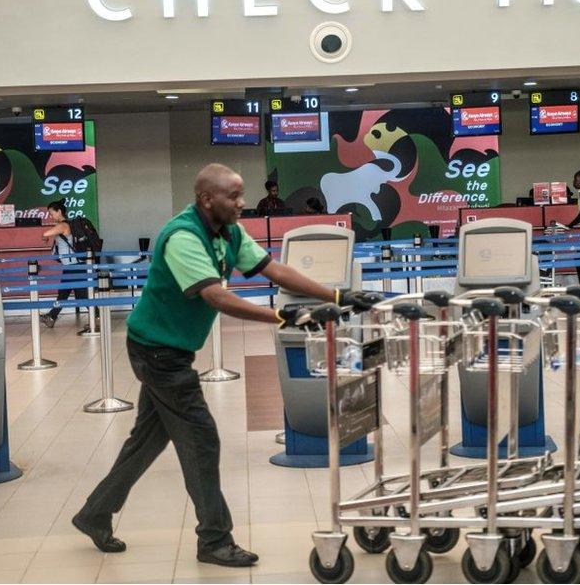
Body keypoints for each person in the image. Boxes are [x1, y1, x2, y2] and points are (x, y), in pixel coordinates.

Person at [72, 163, 378, 568]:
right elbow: (216, 297)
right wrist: (286, 318)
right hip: (157, 352)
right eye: (233, 196)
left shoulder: (228, 232)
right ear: (206, 199)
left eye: (240, 194)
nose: (242, 202)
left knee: (147, 439)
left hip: (172, 350)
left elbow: (274, 270)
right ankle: (214, 540)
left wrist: (338, 296)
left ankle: (94, 514)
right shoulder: (183, 237)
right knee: (202, 440)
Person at [39, 200, 87, 328]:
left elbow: (46, 234)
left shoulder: (64, 225)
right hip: (71, 266)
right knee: (63, 293)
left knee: (82, 295)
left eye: (51, 213)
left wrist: (45, 236)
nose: (50, 216)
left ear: (59, 211)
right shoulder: (63, 225)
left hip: (74, 266)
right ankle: (51, 316)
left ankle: (98, 317)